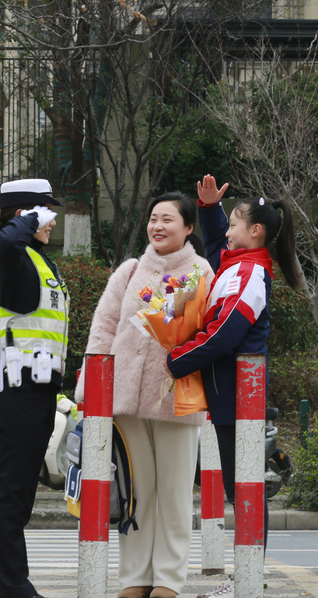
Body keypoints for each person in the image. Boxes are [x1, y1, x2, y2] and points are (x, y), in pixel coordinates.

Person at [167, 175, 304, 598]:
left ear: (255, 231)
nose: (227, 232)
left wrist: (178, 359)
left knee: (242, 485)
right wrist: (209, 210)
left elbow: (225, 332)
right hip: (228, 394)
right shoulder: (238, 267)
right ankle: (246, 574)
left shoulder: (251, 274)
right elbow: (214, 253)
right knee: (239, 483)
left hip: (237, 395)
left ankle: (246, 576)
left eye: (233, 224)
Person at [75, 192, 215, 598]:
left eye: (168, 219)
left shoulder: (200, 270)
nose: (158, 226)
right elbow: (102, 329)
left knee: (173, 494)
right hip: (125, 399)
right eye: (154, 218)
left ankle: (169, 580)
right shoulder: (130, 270)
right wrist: (90, 390)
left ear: (188, 228)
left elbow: (177, 322)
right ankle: (135, 578)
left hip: (175, 397)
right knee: (135, 492)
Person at [0, 179, 67, 598]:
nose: (53, 222)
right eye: (45, 214)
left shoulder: (37, 258)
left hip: (40, 389)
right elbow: (7, 244)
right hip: (17, 389)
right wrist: (26, 219)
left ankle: (14, 583)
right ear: (24, 216)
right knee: (11, 492)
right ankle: (11, 588)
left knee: (21, 494)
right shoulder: (12, 256)